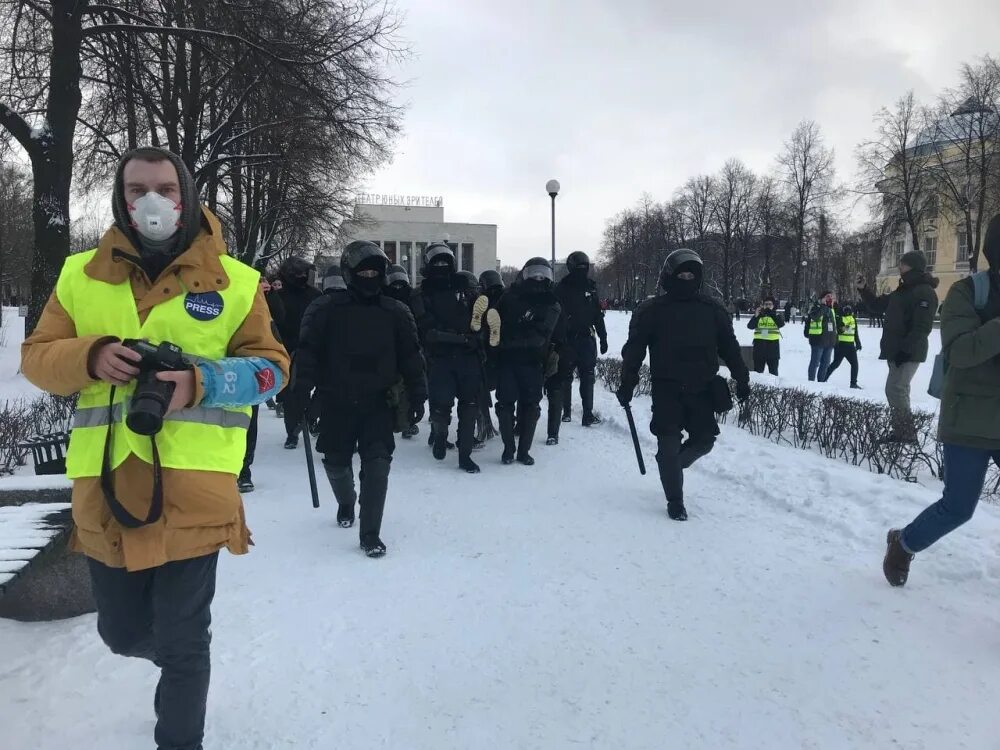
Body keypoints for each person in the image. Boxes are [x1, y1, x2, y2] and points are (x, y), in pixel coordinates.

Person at [20, 146, 289, 750]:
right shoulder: (78, 275)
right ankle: (174, 663)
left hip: (194, 493)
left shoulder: (236, 281)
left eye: (166, 188)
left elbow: (274, 371)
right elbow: (36, 357)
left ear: (186, 195)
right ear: (120, 196)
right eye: (138, 188)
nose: (152, 201)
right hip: (108, 488)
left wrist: (202, 381)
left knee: (185, 640)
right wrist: (89, 355)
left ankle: (180, 733)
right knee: (121, 633)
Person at [883, 214, 1000, 587]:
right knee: (958, 507)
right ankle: (904, 543)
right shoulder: (968, 292)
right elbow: (961, 351)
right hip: (969, 419)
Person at [292, 241, 426, 557]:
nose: (369, 276)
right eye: (363, 271)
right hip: (335, 399)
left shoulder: (396, 312)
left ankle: (370, 533)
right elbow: (308, 352)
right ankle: (346, 501)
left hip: (379, 402)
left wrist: (419, 393)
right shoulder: (324, 309)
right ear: (351, 273)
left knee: (378, 466)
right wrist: (300, 389)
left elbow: (411, 356)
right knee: (336, 463)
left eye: (374, 272)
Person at [617, 249, 750, 521]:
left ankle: (671, 466)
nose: (686, 279)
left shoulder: (712, 310)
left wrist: (742, 377)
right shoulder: (652, 310)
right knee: (668, 442)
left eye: (692, 274)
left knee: (704, 441)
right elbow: (634, 350)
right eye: (681, 274)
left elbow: (730, 348)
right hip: (667, 387)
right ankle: (675, 500)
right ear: (669, 276)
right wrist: (627, 382)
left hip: (702, 387)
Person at [410, 243, 484, 473]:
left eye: (445, 262)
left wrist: (480, 337)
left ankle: (465, 456)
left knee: (470, 406)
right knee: (441, 406)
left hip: (468, 358)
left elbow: (480, 316)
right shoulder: (421, 293)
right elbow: (428, 331)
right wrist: (462, 339)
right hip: (440, 358)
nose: (442, 266)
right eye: (437, 262)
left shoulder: (466, 287)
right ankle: (440, 437)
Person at [857, 252, 939, 441]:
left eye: (903, 264)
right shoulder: (903, 290)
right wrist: (864, 290)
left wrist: (905, 350)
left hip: (908, 351)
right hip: (897, 350)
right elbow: (878, 306)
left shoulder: (924, 291)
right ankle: (904, 431)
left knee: (895, 389)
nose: (899, 267)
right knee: (900, 390)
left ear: (913, 266)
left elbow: (922, 327)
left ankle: (905, 434)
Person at [495, 257, 561, 465]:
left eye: (543, 275)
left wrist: (510, 339)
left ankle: (524, 451)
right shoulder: (509, 296)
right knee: (505, 404)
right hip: (508, 361)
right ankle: (508, 448)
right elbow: (494, 321)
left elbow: (542, 335)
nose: (538, 278)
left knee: (531, 406)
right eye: (534, 274)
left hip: (533, 361)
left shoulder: (551, 303)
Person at [239, 275, 287, 493]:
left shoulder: (259, 298)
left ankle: (244, 471)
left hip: (247, 370)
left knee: (248, 423)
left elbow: (278, 320)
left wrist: (268, 294)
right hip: (218, 367)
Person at [553, 251, 609, 427]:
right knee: (566, 376)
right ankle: (567, 412)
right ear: (571, 268)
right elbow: (554, 315)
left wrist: (603, 336)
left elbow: (597, 315)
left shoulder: (591, 287)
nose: (582, 270)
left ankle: (587, 414)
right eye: (579, 267)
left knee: (587, 376)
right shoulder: (561, 288)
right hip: (567, 339)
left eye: (585, 267)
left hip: (586, 338)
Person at [275, 255, 321, 448]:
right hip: (287, 350)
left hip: (313, 348)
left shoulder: (315, 295)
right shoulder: (279, 295)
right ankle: (292, 431)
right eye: (298, 274)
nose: (302, 276)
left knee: (321, 388)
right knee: (291, 394)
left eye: (305, 273)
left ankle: (311, 418)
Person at [825, 304, 862, 389]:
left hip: (850, 346)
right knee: (835, 364)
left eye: (849, 311)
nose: (848, 312)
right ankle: (823, 378)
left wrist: (858, 343)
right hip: (840, 345)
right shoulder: (840, 318)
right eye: (846, 310)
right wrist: (847, 327)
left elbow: (855, 332)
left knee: (854, 364)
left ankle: (853, 383)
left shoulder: (853, 319)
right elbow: (839, 330)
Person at [804, 291, 837, 382]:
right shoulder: (816, 307)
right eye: (827, 296)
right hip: (818, 340)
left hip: (829, 341)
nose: (830, 298)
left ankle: (821, 383)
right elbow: (815, 317)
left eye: (831, 297)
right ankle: (811, 382)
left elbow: (834, 326)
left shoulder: (832, 310)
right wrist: (824, 306)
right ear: (821, 299)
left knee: (825, 363)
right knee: (815, 362)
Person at [746, 296, 784, 375]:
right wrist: (756, 316)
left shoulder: (776, 315)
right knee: (758, 374)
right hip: (759, 347)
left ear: (773, 306)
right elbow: (750, 326)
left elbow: (781, 324)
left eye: (770, 304)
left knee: (774, 373)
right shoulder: (759, 315)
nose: (768, 306)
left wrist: (772, 314)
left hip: (773, 347)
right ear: (763, 305)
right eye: (766, 304)